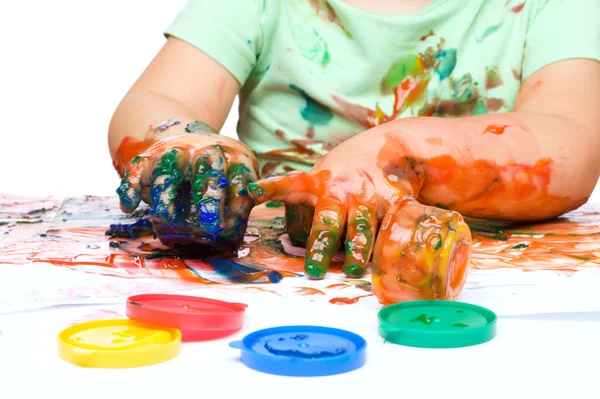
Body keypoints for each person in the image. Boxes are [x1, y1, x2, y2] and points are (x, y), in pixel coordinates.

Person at [108, 0, 600, 287]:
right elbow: (157, 98)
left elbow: (571, 146)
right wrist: (186, 143)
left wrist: (398, 154)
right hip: (275, 276)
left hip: (471, 278)